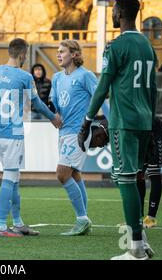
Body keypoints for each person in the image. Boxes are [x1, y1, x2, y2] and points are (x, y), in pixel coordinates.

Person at [78, 0, 157, 260]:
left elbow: (102, 86)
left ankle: (135, 250)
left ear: (119, 13)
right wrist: (150, 118)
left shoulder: (115, 47)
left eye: (113, 10)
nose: (111, 13)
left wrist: (87, 120)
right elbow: (153, 88)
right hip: (146, 121)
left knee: (125, 180)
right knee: (135, 178)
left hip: (124, 123)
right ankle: (142, 240)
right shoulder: (148, 45)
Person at [0, 38, 62, 237]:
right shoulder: (24, 76)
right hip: (13, 133)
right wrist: (53, 117)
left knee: (15, 177)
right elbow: (36, 102)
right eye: (26, 54)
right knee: (10, 177)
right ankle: (1, 226)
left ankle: (17, 223)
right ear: (22, 55)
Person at [50, 40, 109, 236]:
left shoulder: (85, 75)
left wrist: (110, 122)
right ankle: (83, 219)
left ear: (74, 54)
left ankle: (82, 219)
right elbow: (55, 103)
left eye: (62, 52)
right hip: (63, 132)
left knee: (62, 173)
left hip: (79, 132)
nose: (59, 55)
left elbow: (100, 96)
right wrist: (53, 113)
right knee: (74, 175)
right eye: (57, 52)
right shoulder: (57, 77)